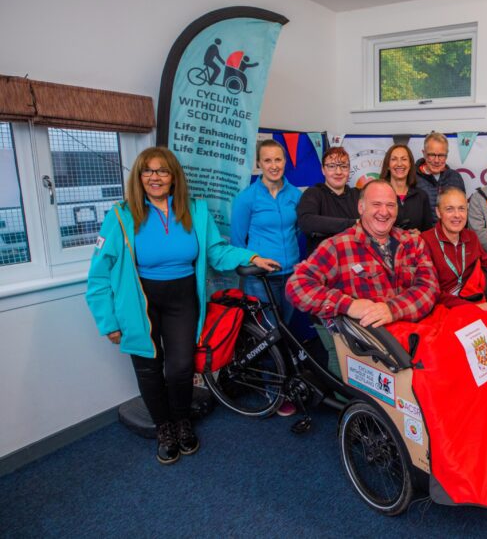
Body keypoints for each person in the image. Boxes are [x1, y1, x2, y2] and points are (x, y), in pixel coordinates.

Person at [86, 147, 279, 465]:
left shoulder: (196, 211)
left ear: (174, 176)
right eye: (147, 171)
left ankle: (181, 421)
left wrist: (250, 257)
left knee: (180, 368)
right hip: (140, 303)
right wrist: (108, 321)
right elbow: (98, 275)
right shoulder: (120, 216)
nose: (155, 177)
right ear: (139, 176)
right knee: (149, 369)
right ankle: (164, 428)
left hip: (182, 299)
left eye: (162, 170)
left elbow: (217, 252)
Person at [285, 180, 438, 330]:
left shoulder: (414, 242)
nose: (384, 212)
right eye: (376, 204)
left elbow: (429, 288)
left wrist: (392, 309)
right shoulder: (337, 246)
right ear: (361, 207)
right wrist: (348, 305)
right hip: (369, 349)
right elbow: (297, 286)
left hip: (417, 339)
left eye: (390, 205)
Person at [231, 139, 301, 416]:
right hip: (260, 280)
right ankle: (274, 393)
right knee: (269, 337)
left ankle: (285, 385)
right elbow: (237, 243)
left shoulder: (295, 195)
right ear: (259, 164)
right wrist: (256, 259)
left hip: (290, 276)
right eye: (268, 160)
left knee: (285, 334)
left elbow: (297, 232)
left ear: (285, 162)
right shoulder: (247, 198)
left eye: (278, 160)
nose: (274, 165)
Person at [421, 187, 487, 310]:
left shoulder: (471, 237)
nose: (457, 215)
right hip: (444, 308)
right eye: (449, 209)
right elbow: (430, 291)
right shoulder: (424, 241)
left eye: (462, 209)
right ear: (438, 212)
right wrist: (472, 308)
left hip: (474, 299)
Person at [297, 146, 360, 256]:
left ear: (349, 169)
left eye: (344, 166)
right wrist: (354, 223)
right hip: (323, 265)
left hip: (354, 262)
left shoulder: (358, 195)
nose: (338, 172)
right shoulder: (313, 194)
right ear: (323, 170)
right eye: (332, 166)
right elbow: (306, 222)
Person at [379, 144, 432, 234]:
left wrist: (420, 236)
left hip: (415, 247)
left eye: (404, 159)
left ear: (410, 164)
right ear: (388, 165)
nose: (399, 164)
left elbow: (428, 232)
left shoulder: (421, 196)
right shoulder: (378, 195)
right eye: (394, 159)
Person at [416, 132, 465, 221]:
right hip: (424, 234)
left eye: (441, 155)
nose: (436, 160)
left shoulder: (455, 177)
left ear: (447, 155)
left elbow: (463, 210)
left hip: (451, 234)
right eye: (432, 155)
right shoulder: (413, 179)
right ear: (424, 153)